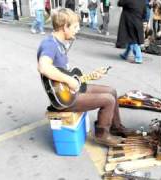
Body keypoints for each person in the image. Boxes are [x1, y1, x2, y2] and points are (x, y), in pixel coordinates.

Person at [37, 8, 135, 147]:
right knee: (108, 100)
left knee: (111, 91)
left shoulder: (60, 43)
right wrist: (70, 80)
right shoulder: (50, 44)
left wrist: (91, 76)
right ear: (65, 27)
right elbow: (43, 67)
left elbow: (66, 74)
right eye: (75, 27)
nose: (77, 30)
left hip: (71, 90)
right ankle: (102, 135)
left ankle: (116, 126)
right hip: (64, 99)